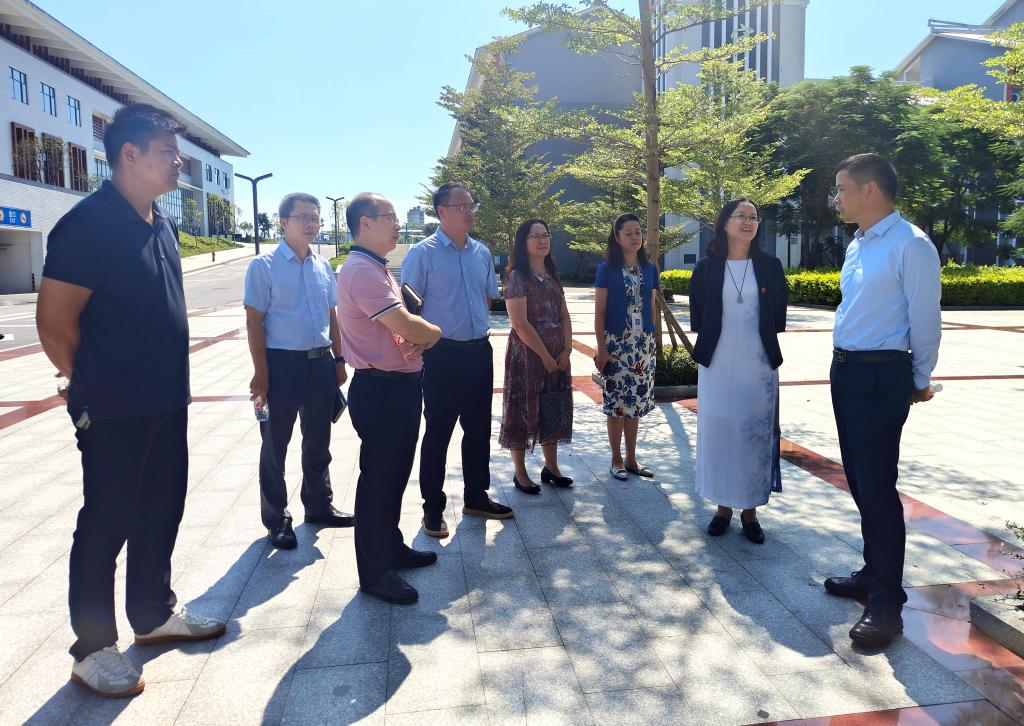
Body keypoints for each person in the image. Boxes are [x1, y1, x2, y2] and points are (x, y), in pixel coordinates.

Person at [36, 103, 225, 699]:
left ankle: (152, 613)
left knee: (161, 507)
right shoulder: (88, 224)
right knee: (107, 520)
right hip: (113, 404)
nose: (177, 163)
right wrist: (89, 380)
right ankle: (92, 648)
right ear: (129, 154)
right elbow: (54, 323)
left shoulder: (160, 223)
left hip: (167, 398)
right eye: (168, 153)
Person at [823, 153, 941, 648]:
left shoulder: (911, 244)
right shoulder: (859, 243)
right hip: (847, 371)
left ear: (870, 189)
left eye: (842, 188)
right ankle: (873, 572)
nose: (836, 198)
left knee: (877, 486)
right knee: (860, 480)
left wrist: (919, 378)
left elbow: (925, 318)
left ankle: (888, 602)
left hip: (881, 375)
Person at [337, 193, 442, 604]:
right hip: (380, 390)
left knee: (394, 476)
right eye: (390, 217)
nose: (398, 225)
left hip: (396, 387)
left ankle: (391, 548)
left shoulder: (375, 267)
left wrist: (415, 335)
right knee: (379, 482)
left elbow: (399, 329)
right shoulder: (361, 271)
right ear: (365, 223)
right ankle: (375, 573)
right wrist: (432, 334)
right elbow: (407, 325)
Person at [401, 182, 514, 538]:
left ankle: (476, 496)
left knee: (478, 429)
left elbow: (485, 299)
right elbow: (410, 306)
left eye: (471, 205)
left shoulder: (482, 253)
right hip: (441, 355)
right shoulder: (423, 253)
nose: (470, 212)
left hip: (479, 351)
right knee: (438, 431)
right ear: (442, 212)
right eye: (461, 206)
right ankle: (432, 508)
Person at [244, 193, 354, 550]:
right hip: (281, 366)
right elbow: (254, 322)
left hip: (320, 364)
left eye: (315, 218)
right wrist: (261, 373)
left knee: (319, 440)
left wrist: (339, 360)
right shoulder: (264, 266)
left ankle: (319, 505)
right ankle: (276, 518)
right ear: (283, 223)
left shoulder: (322, 266)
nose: (311, 223)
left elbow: (332, 315)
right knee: (275, 445)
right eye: (303, 217)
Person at [689, 199, 787, 544]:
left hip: (758, 366)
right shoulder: (706, 268)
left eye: (754, 217)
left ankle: (750, 511)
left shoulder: (770, 266)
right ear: (725, 223)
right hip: (717, 363)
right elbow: (699, 315)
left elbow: (777, 315)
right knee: (720, 432)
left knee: (752, 436)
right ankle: (722, 508)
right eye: (741, 216)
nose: (748, 221)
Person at [499, 218, 574, 494]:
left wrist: (566, 350)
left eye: (546, 235)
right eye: (536, 236)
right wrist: (544, 356)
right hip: (527, 357)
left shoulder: (552, 274)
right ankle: (520, 473)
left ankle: (551, 468)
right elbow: (519, 323)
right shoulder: (516, 277)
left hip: (557, 355)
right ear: (524, 242)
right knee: (521, 410)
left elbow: (564, 315)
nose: (543, 240)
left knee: (552, 407)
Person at [593, 213, 659, 481]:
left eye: (638, 232)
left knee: (637, 402)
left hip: (642, 345)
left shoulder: (650, 268)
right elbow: (599, 313)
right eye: (628, 233)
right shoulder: (606, 269)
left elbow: (651, 306)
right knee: (617, 404)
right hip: (616, 345)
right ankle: (616, 459)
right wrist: (602, 349)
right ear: (617, 238)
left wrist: (651, 338)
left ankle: (632, 458)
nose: (635, 237)